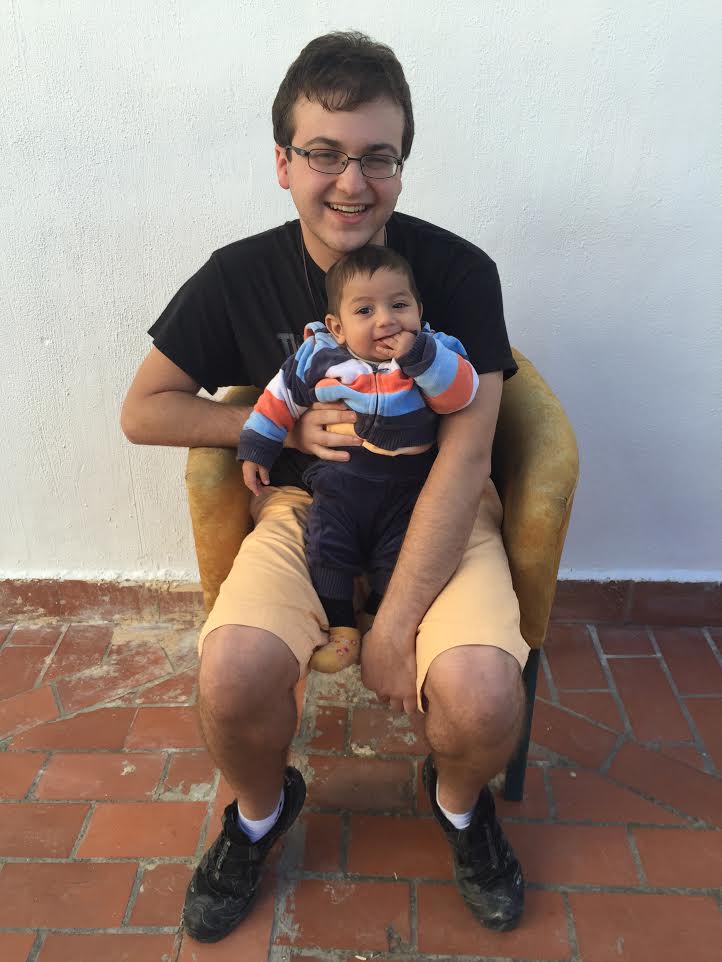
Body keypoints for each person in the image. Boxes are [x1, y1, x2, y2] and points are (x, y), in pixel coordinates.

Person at [121, 30, 529, 943]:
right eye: (325, 154)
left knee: (484, 698)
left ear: (401, 165)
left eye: (377, 156)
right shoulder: (238, 276)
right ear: (282, 163)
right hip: (311, 510)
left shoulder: (459, 273)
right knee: (229, 676)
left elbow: (467, 455)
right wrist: (270, 426)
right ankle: (260, 815)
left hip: (441, 507)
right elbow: (144, 409)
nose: (352, 182)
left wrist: (392, 630)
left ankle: (461, 807)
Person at [239, 245, 479, 673]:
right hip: (341, 482)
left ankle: (376, 618)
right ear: (338, 327)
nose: (386, 319)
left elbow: (461, 395)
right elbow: (279, 397)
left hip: (410, 487)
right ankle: (343, 629)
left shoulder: (434, 351)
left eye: (399, 305)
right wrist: (259, 446)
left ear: (419, 311)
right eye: (365, 310)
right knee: (326, 547)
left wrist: (421, 356)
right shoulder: (320, 356)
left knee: (399, 556)